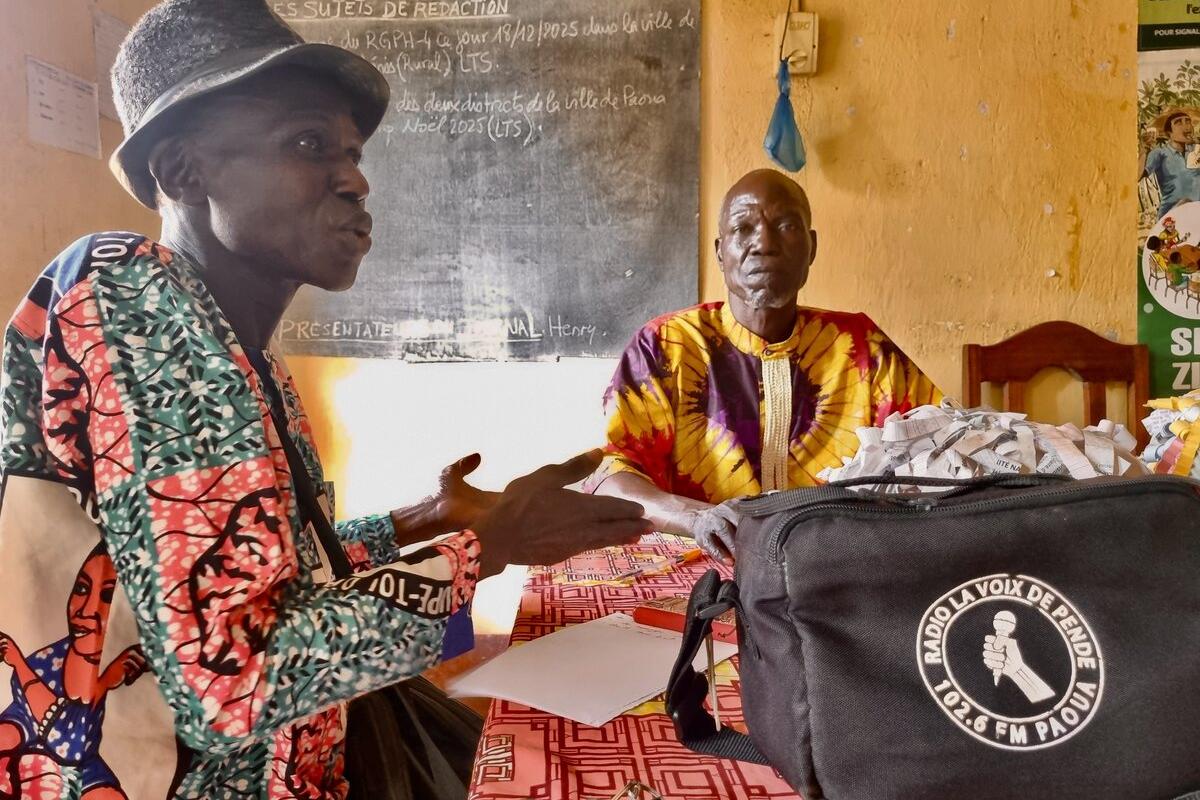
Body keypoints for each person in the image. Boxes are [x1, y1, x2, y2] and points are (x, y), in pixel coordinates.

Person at [0, 1, 648, 798]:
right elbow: (233, 682)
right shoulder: (131, 290)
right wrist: (491, 546)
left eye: (352, 152)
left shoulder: (244, 355)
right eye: (309, 144)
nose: (355, 179)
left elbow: (259, 577)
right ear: (182, 171)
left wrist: (421, 521)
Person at [587, 169, 941, 560]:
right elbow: (612, 476)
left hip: (835, 565)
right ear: (720, 252)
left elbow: (942, 449)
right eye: (743, 228)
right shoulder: (665, 347)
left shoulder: (864, 349)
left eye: (786, 226)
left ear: (811, 248)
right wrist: (697, 518)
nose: (764, 244)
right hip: (702, 566)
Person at [1140, 108, 1200, 221]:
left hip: (1196, 215)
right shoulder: (1160, 153)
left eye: (1188, 121)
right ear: (1169, 133)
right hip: (1171, 218)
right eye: (1179, 123)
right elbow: (1137, 176)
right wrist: (1144, 149)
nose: (1186, 126)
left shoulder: (1196, 151)